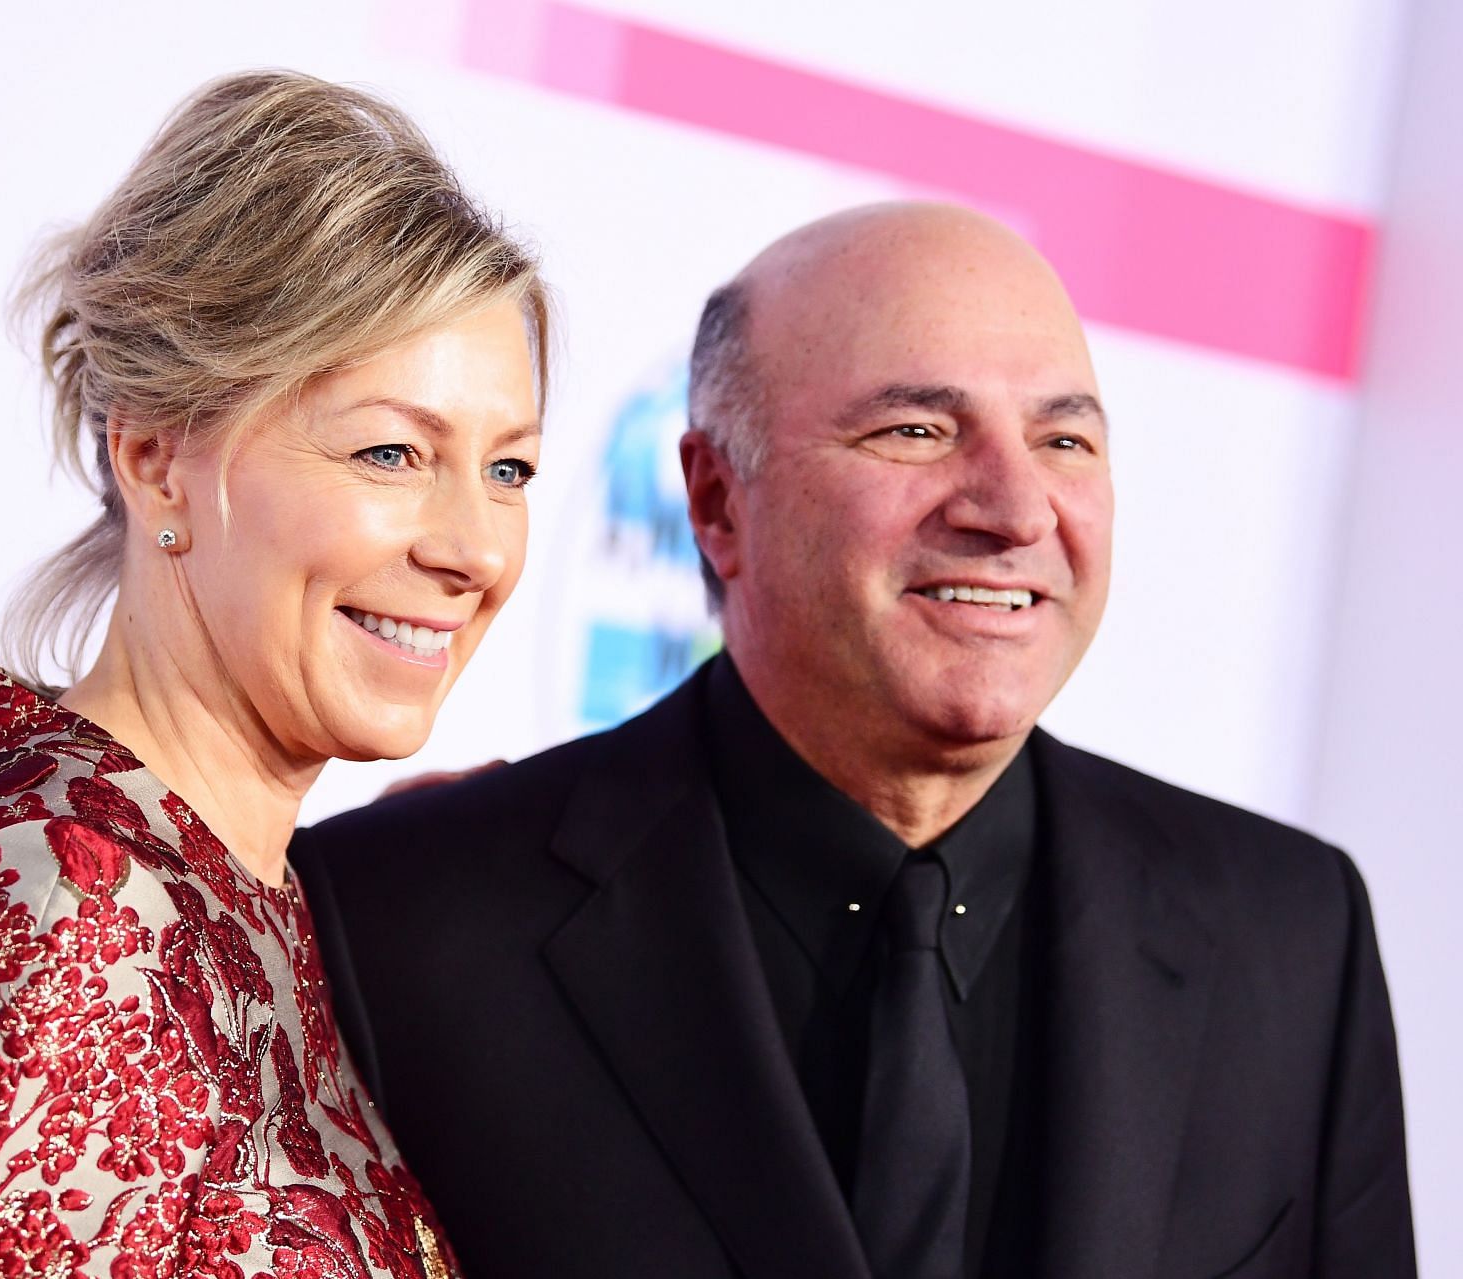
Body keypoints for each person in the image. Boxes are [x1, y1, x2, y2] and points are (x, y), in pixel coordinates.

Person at [292, 203, 1416, 1278]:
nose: (1015, 509)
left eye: (1064, 438)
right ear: (719, 501)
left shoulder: (1291, 936)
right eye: (918, 431)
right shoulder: (402, 924)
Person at [0, 71, 548, 1279]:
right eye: (392, 451)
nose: (474, 547)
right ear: (159, 461)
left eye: (511, 470)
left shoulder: (243, 890)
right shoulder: (59, 904)